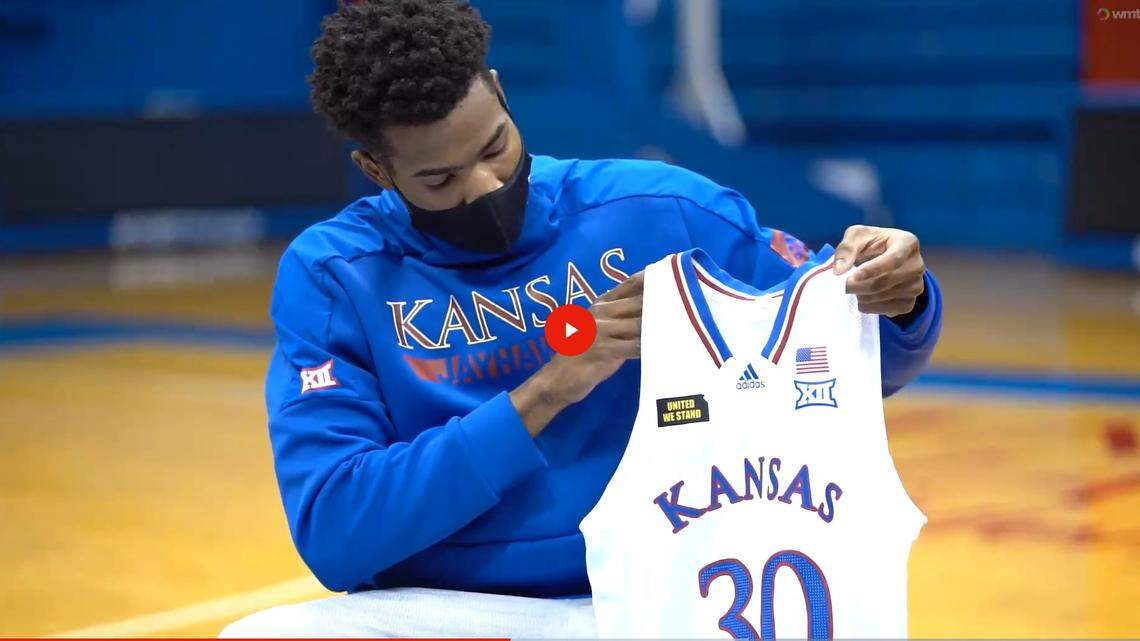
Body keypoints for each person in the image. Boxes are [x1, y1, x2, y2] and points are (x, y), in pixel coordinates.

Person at [221, 0, 941, 636]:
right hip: (459, 607)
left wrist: (900, 295)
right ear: (377, 171)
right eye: (439, 179)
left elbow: (854, 349)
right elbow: (337, 532)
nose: (485, 186)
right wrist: (546, 391)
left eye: (495, 146)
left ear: (501, 93)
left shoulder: (660, 211)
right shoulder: (335, 276)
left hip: (664, 594)